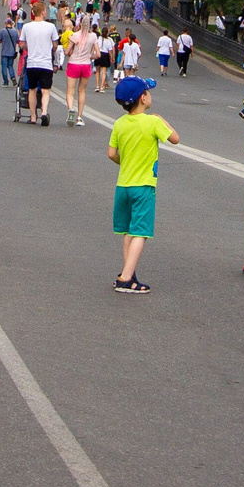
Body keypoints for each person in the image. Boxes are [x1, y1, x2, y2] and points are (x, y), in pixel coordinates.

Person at [108, 73, 176, 295]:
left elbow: (111, 154)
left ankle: (129, 273)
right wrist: (162, 119)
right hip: (144, 186)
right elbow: (175, 138)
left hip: (123, 185)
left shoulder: (119, 123)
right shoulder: (153, 122)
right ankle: (126, 278)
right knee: (141, 232)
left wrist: (124, 162)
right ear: (143, 98)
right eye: (148, 92)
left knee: (128, 231)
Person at [20, 1, 61, 127]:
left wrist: (30, 47)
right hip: (45, 63)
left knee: (32, 90)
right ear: (43, 12)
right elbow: (55, 44)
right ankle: (44, 112)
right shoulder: (51, 27)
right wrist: (51, 50)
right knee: (45, 90)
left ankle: (33, 116)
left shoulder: (27, 27)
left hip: (32, 63)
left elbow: (21, 44)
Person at [64, 16, 100, 128]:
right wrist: (90, 57)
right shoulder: (93, 36)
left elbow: (66, 52)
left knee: (70, 91)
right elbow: (98, 54)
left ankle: (71, 109)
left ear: (79, 24)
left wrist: (70, 52)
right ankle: (79, 117)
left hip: (74, 63)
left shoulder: (74, 36)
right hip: (85, 65)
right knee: (82, 91)